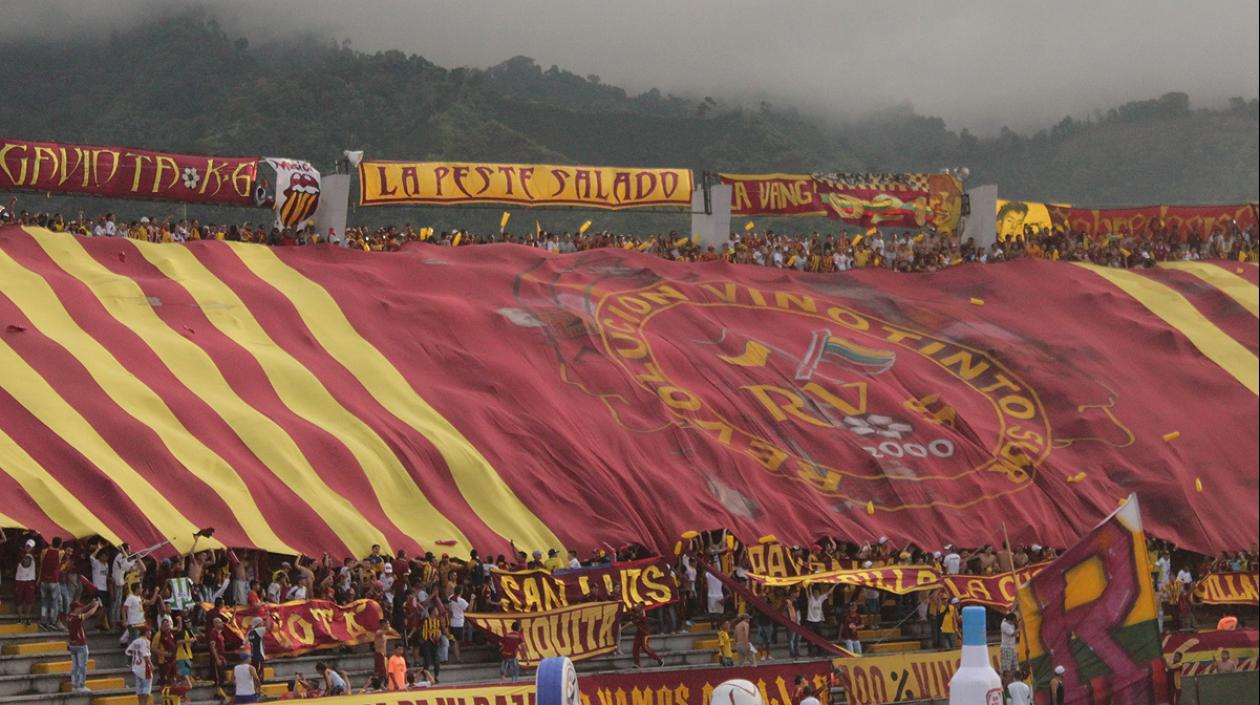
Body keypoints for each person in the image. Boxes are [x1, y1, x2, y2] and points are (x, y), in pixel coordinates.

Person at [63, 599, 99, 692]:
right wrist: (96, 606)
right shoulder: (77, 618)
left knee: (75, 666)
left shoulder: (69, 617)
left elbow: (83, 610)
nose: (81, 609)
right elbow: (89, 614)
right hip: (80, 644)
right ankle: (81, 686)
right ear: (75, 609)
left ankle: (74, 685)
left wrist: (90, 604)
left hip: (72, 645)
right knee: (82, 666)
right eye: (79, 607)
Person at [39, 537, 65, 630]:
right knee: (54, 602)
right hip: (54, 580)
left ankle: (43, 621)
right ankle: (52, 621)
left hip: (44, 579)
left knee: (44, 602)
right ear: (60, 544)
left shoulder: (44, 551)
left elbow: (41, 564)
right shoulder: (60, 552)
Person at [126, 624, 154, 705]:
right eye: (149, 631)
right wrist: (151, 664)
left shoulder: (135, 641)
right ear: (145, 632)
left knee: (139, 688)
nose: (150, 633)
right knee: (146, 688)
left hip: (136, 667)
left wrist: (136, 653)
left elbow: (128, 651)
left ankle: (140, 703)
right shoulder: (146, 641)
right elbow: (145, 655)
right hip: (144, 667)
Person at [14, 539, 37, 626]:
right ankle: (20, 618)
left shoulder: (35, 555)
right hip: (19, 579)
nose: (28, 548)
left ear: (33, 548)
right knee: (18, 599)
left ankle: (27, 617)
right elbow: (20, 562)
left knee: (29, 600)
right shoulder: (20, 554)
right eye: (27, 546)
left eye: (30, 546)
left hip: (30, 580)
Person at [1000, 613, 1019, 678]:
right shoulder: (1004, 625)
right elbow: (1012, 634)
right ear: (1011, 620)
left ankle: (1011, 680)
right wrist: (1020, 628)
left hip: (1012, 648)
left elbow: (1011, 613)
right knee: (1006, 669)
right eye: (1014, 621)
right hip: (1006, 648)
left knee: (1014, 666)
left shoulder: (1006, 619)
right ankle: (1005, 682)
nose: (1015, 622)